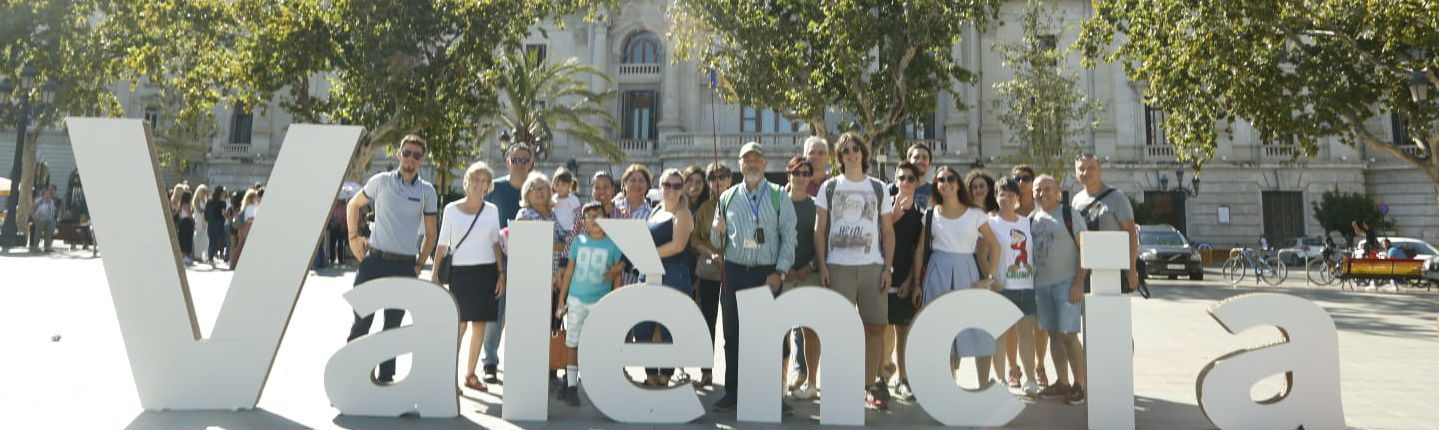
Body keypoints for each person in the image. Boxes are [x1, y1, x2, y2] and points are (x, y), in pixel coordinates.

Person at [345, 134, 440, 384]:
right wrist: (353, 235)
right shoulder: (381, 181)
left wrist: (419, 263)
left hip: (404, 265)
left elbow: (431, 233)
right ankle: (351, 377)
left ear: (422, 160)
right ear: (398, 154)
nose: (410, 159)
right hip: (374, 261)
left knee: (392, 327)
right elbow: (353, 205)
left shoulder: (427, 191)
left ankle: (386, 380)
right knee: (361, 322)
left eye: (416, 155)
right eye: (407, 153)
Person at [710, 141, 797, 413]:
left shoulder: (779, 195)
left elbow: (789, 238)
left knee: (768, 338)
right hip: (734, 272)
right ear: (739, 165)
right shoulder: (727, 197)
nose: (751, 164)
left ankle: (772, 394)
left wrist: (780, 272)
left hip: (766, 274)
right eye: (746, 160)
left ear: (765, 163)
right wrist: (717, 229)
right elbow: (717, 240)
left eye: (756, 159)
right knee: (732, 336)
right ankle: (733, 392)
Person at [814, 132, 897, 409]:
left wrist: (888, 268)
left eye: (855, 149)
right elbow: (820, 230)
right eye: (846, 150)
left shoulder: (878, 188)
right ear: (840, 157)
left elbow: (887, 230)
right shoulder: (829, 187)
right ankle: (838, 384)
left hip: (872, 266)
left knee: (875, 327)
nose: (852, 153)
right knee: (838, 329)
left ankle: (870, 384)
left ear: (863, 153)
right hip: (838, 267)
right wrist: (823, 264)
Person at [913, 165, 1002, 389]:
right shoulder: (931, 214)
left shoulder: (975, 214)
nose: (946, 183)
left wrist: (989, 277)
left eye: (950, 178)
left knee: (977, 329)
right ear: (936, 185)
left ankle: (983, 385)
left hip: (967, 272)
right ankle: (947, 387)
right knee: (942, 333)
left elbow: (995, 246)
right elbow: (920, 249)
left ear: (958, 183)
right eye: (940, 180)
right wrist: (916, 283)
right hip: (937, 273)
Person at [431, 161, 505, 394]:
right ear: (467, 182)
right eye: (475, 179)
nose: (479, 184)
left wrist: (501, 274)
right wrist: (434, 276)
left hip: (487, 271)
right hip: (461, 274)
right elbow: (442, 245)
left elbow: (495, 243)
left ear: (488, 185)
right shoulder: (452, 209)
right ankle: (447, 377)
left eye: (484, 180)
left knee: (480, 325)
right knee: (459, 325)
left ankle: (471, 374)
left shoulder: (492, 211)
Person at [554, 202, 627, 406]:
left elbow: (616, 275)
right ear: (583, 221)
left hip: (600, 300)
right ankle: (570, 386)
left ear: (607, 218)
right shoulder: (579, 241)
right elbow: (569, 271)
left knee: (596, 343)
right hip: (576, 299)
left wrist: (616, 299)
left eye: (598, 215)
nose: (594, 219)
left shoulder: (613, 245)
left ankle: (600, 384)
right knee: (573, 342)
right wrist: (562, 298)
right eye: (589, 216)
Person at [1029, 175, 1088, 404]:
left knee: (1069, 335)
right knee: (1053, 333)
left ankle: (1079, 385)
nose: (1042, 193)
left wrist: (1078, 282)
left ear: (1058, 192)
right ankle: (1062, 382)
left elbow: (1085, 249)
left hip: (1067, 284)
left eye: (1047, 189)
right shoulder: (1032, 218)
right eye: (1037, 190)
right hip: (1041, 286)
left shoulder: (1069, 215)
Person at [479, 143, 534, 384]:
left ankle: (521, 363)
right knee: (496, 312)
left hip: (531, 259)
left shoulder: (539, 189)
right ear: (507, 161)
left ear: (531, 163)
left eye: (524, 160)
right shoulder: (494, 188)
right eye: (516, 159)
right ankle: (489, 361)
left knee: (525, 314)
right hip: (498, 260)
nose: (520, 164)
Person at [636, 168, 694, 386]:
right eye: (667, 185)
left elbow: (678, 246)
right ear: (659, 187)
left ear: (682, 190)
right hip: (648, 274)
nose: (671, 189)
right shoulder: (655, 210)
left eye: (676, 186)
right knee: (643, 327)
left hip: (674, 276)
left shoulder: (684, 213)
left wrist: (645, 254)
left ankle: (666, 374)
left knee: (670, 329)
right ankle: (650, 374)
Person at [989, 177, 1040, 396]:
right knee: (999, 335)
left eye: (1011, 195)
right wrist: (991, 278)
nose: (1007, 199)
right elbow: (982, 253)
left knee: (1026, 334)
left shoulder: (1027, 222)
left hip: (1026, 286)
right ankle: (1000, 379)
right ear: (996, 197)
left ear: (1018, 199)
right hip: (1002, 287)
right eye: (1003, 194)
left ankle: (1030, 379)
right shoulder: (989, 223)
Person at [878, 161, 924, 400]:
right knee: (878, 328)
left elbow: (918, 248)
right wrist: (894, 213)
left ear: (917, 182)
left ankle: (903, 378)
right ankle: (878, 379)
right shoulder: (884, 203)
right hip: (881, 275)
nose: (905, 182)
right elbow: (879, 234)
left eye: (910, 178)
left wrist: (912, 280)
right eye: (901, 178)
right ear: (895, 180)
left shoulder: (921, 211)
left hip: (905, 278)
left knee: (903, 330)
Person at [688, 162, 731, 388]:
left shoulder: (739, 201)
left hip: (735, 271)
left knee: (733, 324)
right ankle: (706, 371)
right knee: (708, 321)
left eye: (722, 176)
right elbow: (695, 239)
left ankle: (734, 375)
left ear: (730, 179)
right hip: (709, 272)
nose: (718, 181)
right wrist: (713, 254)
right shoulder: (705, 208)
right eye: (713, 177)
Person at [782, 156, 821, 400]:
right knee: (780, 329)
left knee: (810, 329)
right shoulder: (777, 204)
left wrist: (809, 267)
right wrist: (783, 268)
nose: (801, 177)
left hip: (809, 274)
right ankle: (781, 381)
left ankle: (812, 382)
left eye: (805, 173)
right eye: (796, 173)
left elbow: (823, 243)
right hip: (783, 274)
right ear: (789, 176)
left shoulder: (817, 206)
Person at [1072, 153, 1140, 293]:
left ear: (1100, 170)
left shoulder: (1117, 197)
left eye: (1091, 168)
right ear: (1076, 173)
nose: (1086, 172)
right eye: (1081, 168)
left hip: (1113, 269)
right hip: (1084, 269)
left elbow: (1131, 233)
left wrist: (1132, 268)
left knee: (1109, 312)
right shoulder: (1076, 200)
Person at [1006, 165, 1047, 387]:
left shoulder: (1043, 209)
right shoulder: (1006, 209)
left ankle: (1039, 366)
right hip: (1014, 276)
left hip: (1039, 275)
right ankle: (1013, 368)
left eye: (1025, 178)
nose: (1021, 182)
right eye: (1016, 179)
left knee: (1039, 326)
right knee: (1011, 325)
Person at [887, 142, 934, 208]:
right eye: (916, 157)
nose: (920, 161)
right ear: (909, 161)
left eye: (924, 158)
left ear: (929, 164)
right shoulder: (891, 190)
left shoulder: (935, 191)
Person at [228, 188, 262, 269]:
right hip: (247, 228)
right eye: (255, 196)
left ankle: (233, 264)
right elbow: (250, 219)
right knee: (242, 247)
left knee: (240, 246)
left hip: (243, 229)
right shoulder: (251, 207)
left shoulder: (246, 206)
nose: (257, 198)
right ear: (252, 198)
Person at [204, 186, 229, 268]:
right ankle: (211, 257)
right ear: (221, 192)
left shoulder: (209, 201)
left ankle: (210, 257)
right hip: (218, 222)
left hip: (210, 222)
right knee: (215, 240)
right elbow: (223, 213)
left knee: (211, 240)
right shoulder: (222, 202)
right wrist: (228, 218)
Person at [30, 186, 58, 253]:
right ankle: (36, 246)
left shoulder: (51, 201)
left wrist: (52, 217)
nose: (48, 195)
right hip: (40, 219)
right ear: (43, 194)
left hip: (49, 219)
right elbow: (33, 208)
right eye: (46, 194)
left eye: (49, 194)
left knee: (48, 233)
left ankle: (47, 247)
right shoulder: (39, 200)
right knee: (38, 233)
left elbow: (52, 210)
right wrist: (34, 216)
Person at [552, 167, 581, 231]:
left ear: (570, 185)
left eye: (563, 185)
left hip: (569, 230)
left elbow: (578, 216)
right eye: (557, 185)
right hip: (556, 230)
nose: (560, 188)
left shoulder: (573, 199)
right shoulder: (553, 198)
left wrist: (576, 228)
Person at [192, 185, 210, 263]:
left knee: (205, 236)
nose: (205, 193)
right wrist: (206, 210)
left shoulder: (204, 200)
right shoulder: (196, 200)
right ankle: (197, 255)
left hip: (204, 219)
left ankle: (203, 254)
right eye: (204, 191)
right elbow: (199, 210)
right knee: (198, 236)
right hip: (198, 218)